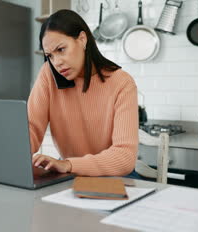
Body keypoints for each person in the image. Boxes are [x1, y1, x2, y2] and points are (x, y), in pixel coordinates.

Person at [29, 9, 139, 177]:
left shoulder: (122, 83)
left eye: (61, 49)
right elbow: (31, 128)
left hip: (115, 177)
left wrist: (68, 164)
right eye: (50, 56)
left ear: (82, 39)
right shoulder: (48, 75)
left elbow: (124, 157)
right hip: (71, 173)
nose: (57, 62)